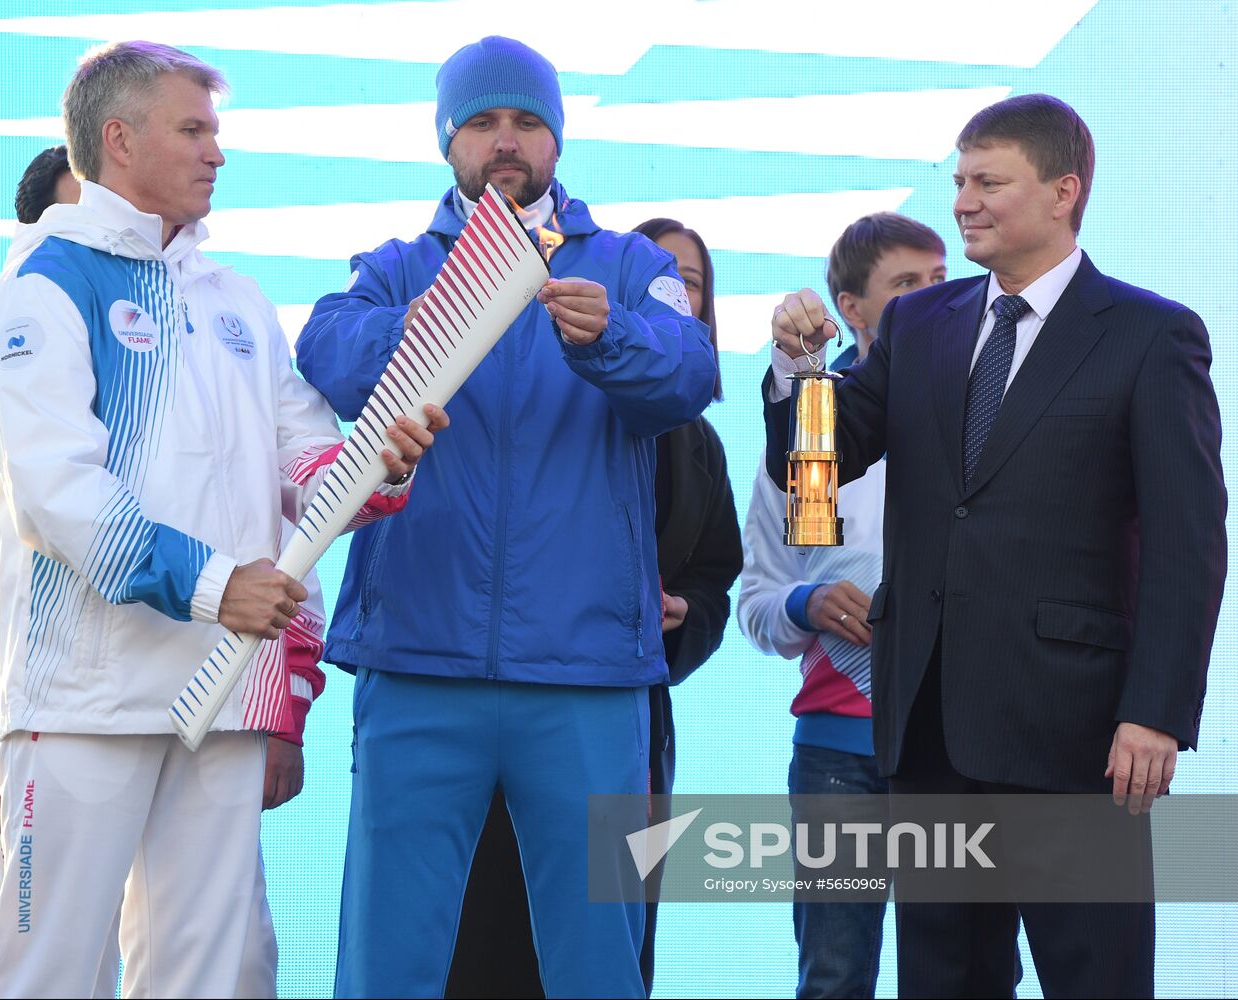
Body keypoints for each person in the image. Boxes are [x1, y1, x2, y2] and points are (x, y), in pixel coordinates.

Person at [0, 43, 445, 998]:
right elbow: (60, 493)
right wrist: (218, 585)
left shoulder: (236, 302)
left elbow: (304, 462)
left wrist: (377, 466)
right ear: (119, 140)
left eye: (216, 132)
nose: (215, 152)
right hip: (81, 707)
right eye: (192, 130)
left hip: (220, 701)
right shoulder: (43, 289)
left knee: (212, 980)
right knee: (50, 976)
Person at [766, 93, 1225, 997]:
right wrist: (803, 375)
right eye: (959, 182)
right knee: (944, 981)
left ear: (1064, 191)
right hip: (930, 728)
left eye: (989, 182)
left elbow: (1188, 540)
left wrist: (1158, 713)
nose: (965, 201)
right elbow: (815, 479)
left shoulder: (1149, 333)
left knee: (1096, 979)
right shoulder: (918, 324)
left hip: (1077, 734)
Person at [297, 36, 716, 999]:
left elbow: (689, 373)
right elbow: (325, 347)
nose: (506, 142)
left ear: (557, 140)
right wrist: (443, 316)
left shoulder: (626, 263)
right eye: (482, 123)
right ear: (449, 141)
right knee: (387, 956)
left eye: (527, 122)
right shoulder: (400, 267)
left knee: (597, 963)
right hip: (418, 663)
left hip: (585, 674)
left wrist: (607, 334)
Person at [446, 218, 741, 999]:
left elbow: (716, 572)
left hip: (631, 710)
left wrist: (683, 616)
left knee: (612, 929)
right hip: (515, 691)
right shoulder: (544, 407)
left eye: (695, 284)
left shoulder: (700, 442)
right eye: (661, 277)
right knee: (488, 923)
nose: (678, 292)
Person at [739, 212, 945, 998]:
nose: (931, 300)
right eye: (905, 287)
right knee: (834, 973)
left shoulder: (985, 418)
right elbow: (757, 602)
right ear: (850, 309)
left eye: (939, 282)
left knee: (959, 967)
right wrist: (806, 601)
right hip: (840, 750)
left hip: (952, 739)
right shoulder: (811, 440)